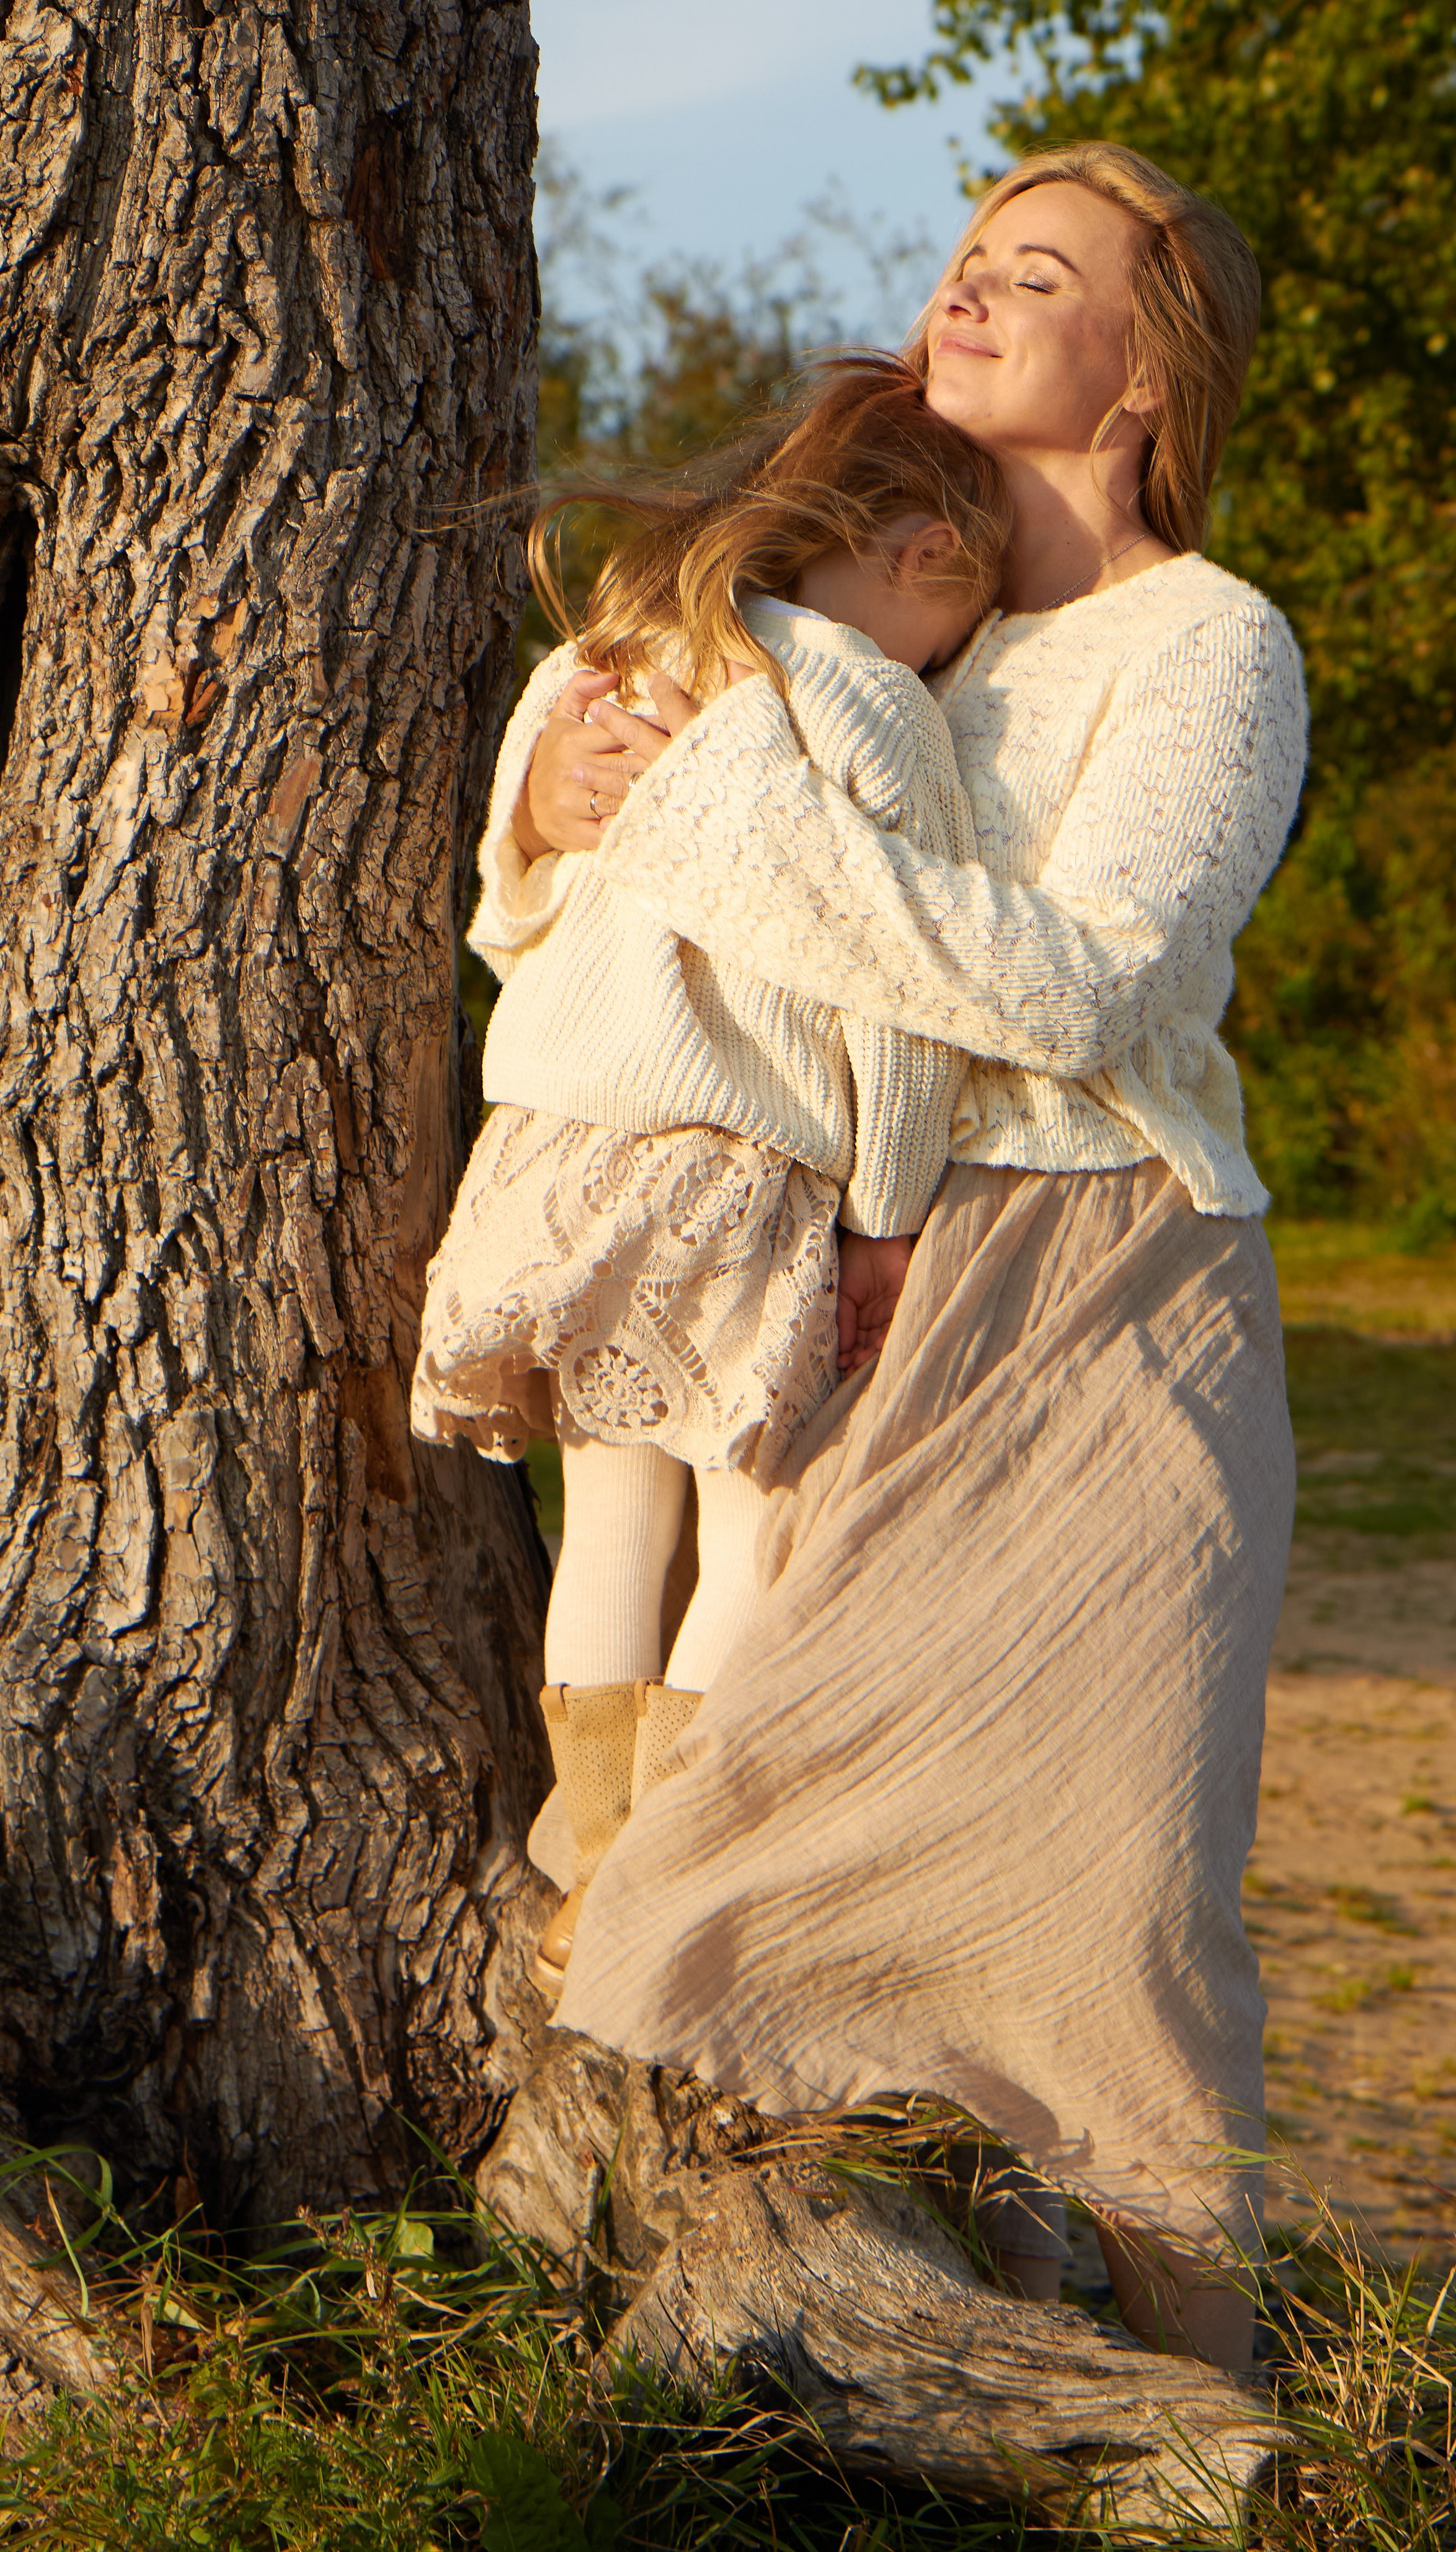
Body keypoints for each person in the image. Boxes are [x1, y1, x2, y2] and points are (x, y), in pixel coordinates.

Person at [507, 144, 1310, 2370]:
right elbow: (684, 920)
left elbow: (1082, 988)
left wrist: (706, 816)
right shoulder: (889, 603)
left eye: (1033, 274)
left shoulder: (1206, 642)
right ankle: (767, 2333)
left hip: (1115, 1281)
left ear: (1146, 368)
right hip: (850, 1271)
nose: (969, 295)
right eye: (964, 262)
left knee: (1123, 1890)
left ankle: (1195, 2378)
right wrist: (573, 795)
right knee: (745, 1846)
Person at [412, 355, 1008, 1997]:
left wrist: (539, 821)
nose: (953, 658)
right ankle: (654, 1883)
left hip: (550, 1149)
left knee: (608, 1514)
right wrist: (888, 1209)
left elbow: (510, 906)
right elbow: (892, 996)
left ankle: (581, 1850)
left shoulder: (604, 660)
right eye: (964, 618)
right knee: (751, 1524)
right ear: (920, 555)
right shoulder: (873, 704)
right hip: (733, 1168)